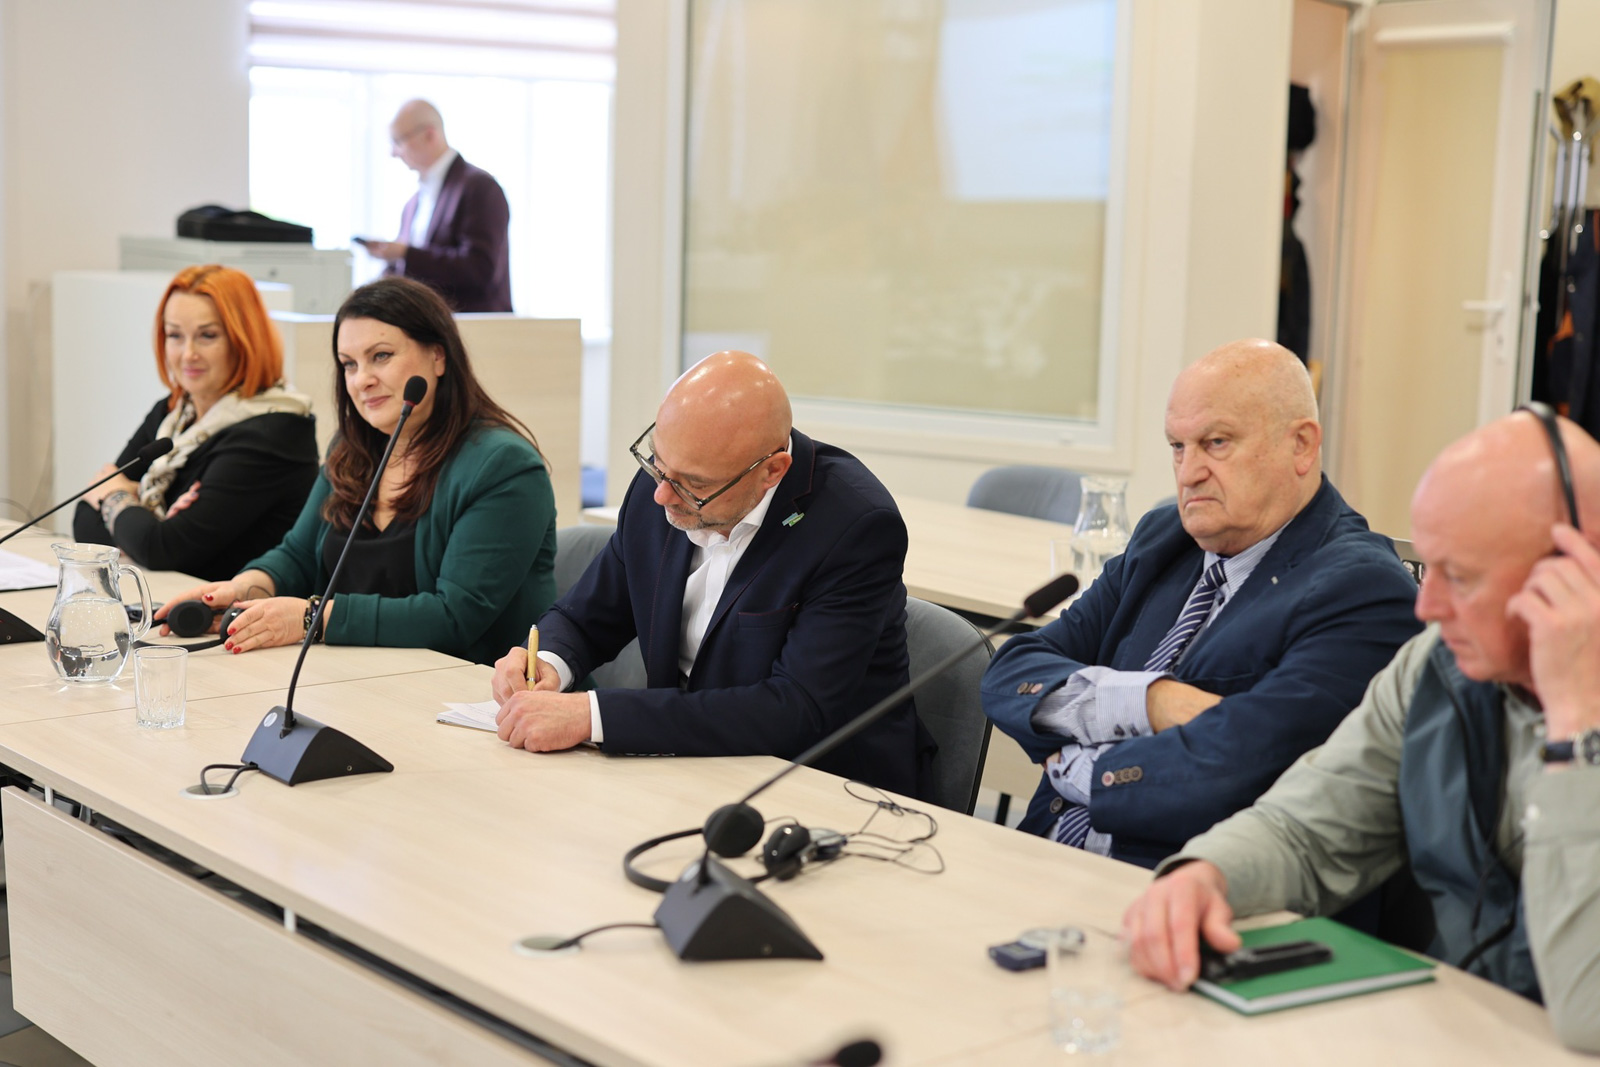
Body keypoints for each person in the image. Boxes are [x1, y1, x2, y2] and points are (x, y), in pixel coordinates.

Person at [1123, 408, 1600, 1052]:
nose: (1427, 607)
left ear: (1575, 569)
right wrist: (1205, 876)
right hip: (1450, 1036)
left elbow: (1589, 1013)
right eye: (1428, 569)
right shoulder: (1435, 669)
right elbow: (1306, 831)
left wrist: (1578, 731)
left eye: (1461, 578)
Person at [982, 339, 1420, 867]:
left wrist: (1083, 770)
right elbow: (1012, 672)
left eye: (1216, 443)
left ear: (1302, 445)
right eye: (1177, 446)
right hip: (1041, 853)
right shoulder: (1163, 539)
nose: (1188, 473)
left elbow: (1244, 768)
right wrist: (1152, 702)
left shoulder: (1364, 589)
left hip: (1177, 883)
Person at [489, 351, 933, 797]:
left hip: (822, 787)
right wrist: (546, 663)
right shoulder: (663, 484)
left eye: (695, 485)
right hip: (685, 769)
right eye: (657, 462)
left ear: (772, 471)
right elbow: (586, 617)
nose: (662, 495)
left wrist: (593, 716)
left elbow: (795, 709)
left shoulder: (854, 526)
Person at [156, 276, 556, 665]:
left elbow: (455, 616)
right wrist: (245, 590)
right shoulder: (352, 451)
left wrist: (312, 618)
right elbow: (298, 556)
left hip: (472, 693)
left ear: (438, 356)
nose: (362, 380)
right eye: (349, 364)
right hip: (358, 678)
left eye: (381, 356)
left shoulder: (503, 466)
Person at [74, 265, 318, 581]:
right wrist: (136, 523)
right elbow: (85, 520)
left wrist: (116, 497)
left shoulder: (274, 432)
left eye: (207, 336)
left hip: (230, 609)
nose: (188, 354)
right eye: (175, 335)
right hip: (160, 598)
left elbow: (161, 548)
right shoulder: (173, 413)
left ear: (245, 339)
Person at [359, 99, 512, 313]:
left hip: (473, 325)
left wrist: (406, 253)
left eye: (398, 141)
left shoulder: (480, 187)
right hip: (428, 324)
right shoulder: (413, 203)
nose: (393, 153)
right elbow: (414, 271)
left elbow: (480, 269)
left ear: (429, 135)